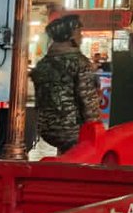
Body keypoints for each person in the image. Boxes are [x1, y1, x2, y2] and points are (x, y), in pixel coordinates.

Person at [30, 14, 100, 153]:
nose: (82, 36)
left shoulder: (43, 63)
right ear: (70, 36)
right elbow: (88, 101)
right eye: (79, 32)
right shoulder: (79, 63)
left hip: (45, 129)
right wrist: (96, 128)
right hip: (72, 130)